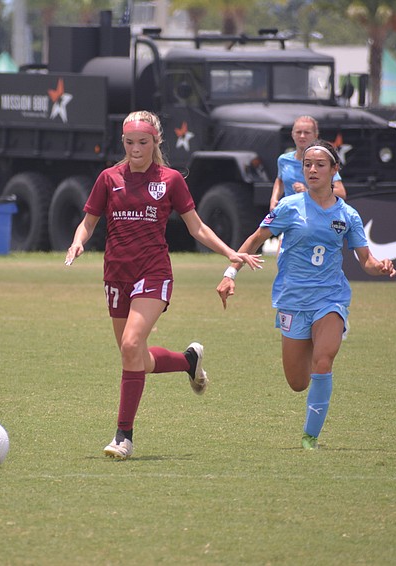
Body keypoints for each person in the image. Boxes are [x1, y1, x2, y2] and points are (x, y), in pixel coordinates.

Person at [65, 110, 262, 460]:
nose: (135, 149)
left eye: (142, 142)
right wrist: (78, 241)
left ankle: (123, 437)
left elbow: (197, 228)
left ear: (156, 141)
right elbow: (88, 223)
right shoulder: (109, 178)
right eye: (129, 143)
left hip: (154, 273)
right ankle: (189, 361)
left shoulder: (170, 180)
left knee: (130, 345)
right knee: (136, 357)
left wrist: (231, 253)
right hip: (116, 275)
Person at [218, 139, 396, 450]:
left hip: (330, 297)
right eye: (307, 165)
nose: (312, 169)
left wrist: (379, 266)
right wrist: (230, 273)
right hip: (292, 299)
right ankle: (314, 353)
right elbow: (256, 238)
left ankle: (310, 437)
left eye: (320, 165)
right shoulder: (289, 207)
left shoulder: (348, 215)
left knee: (324, 361)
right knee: (298, 383)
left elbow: (365, 260)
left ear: (334, 171)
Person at [270, 116, 347, 211]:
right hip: (289, 213)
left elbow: (341, 193)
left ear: (315, 135)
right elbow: (280, 180)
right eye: (298, 132)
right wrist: (274, 199)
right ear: (292, 134)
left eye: (306, 133)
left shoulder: (322, 162)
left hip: (314, 213)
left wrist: (309, 192)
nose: (302, 136)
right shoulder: (283, 160)